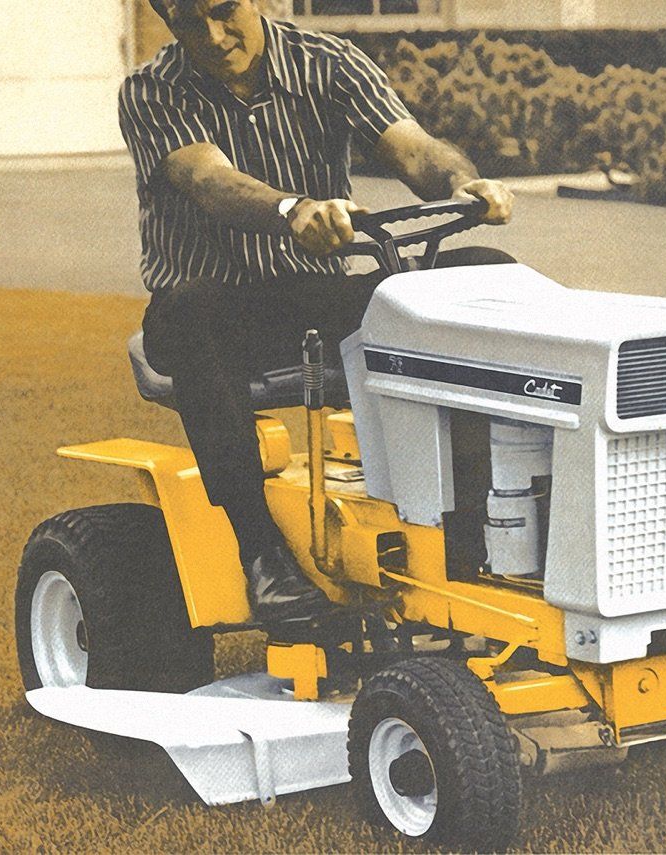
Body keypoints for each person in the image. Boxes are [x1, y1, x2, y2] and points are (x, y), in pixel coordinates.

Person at [119, 0, 515, 625]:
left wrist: (462, 186)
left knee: (486, 270)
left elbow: (413, 150)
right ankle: (261, 552)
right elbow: (207, 180)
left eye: (227, 13)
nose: (216, 36)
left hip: (313, 295)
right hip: (211, 305)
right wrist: (290, 210)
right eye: (191, 23)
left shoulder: (327, 62)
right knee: (194, 311)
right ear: (166, 18)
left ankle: (478, 521)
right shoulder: (151, 92)